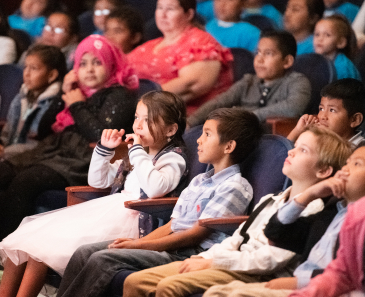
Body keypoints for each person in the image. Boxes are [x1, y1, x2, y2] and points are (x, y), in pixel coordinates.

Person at [0, 35, 139, 283]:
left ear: (111, 64)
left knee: (26, 181)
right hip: (57, 148)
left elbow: (99, 134)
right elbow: (44, 129)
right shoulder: (76, 93)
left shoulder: (119, 95)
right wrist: (65, 92)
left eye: (97, 62)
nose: (89, 69)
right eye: (82, 63)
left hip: (87, 157)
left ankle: (0, 256)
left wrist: (77, 105)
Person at [0, 90, 188, 297]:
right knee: (31, 242)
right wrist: (104, 150)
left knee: (43, 250)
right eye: (137, 117)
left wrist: (137, 151)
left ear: (170, 129)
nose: (138, 125)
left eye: (147, 120)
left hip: (136, 221)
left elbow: (156, 188)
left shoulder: (172, 158)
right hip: (111, 211)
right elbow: (98, 181)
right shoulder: (138, 154)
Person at [56, 108, 263, 297]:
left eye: (207, 134)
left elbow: (194, 235)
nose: (198, 141)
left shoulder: (235, 186)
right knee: (85, 251)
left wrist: (140, 246)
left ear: (229, 146)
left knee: (103, 258)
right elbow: (172, 225)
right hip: (173, 247)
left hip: (192, 253)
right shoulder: (200, 181)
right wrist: (139, 244)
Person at [123, 127, 352, 297]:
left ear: (324, 170)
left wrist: (215, 262)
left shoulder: (315, 209)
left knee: (168, 286)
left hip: (251, 270)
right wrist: (205, 257)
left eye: (302, 150)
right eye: (295, 146)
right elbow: (237, 239)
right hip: (230, 259)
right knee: (135, 282)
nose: (291, 153)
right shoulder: (270, 200)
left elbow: (269, 260)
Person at [201, 144, 365, 297]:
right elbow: (276, 235)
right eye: (347, 163)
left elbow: (348, 276)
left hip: (321, 288)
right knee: (217, 292)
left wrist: (300, 282)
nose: (345, 170)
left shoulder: (358, 218)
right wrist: (309, 194)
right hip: (310, 284)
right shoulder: (331, 212)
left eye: (357, 164)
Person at [127, 0, 234, 115]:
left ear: (189, 14)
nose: (163, 15)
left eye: (170, 9)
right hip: (144, 113)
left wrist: (140, 101)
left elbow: (192, 85)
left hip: (187, 120)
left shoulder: (201, 42)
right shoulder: (150, 45)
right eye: (160, 8)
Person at [187, 30, 310, 128]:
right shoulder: (249, 81)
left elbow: (293, 107)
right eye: (258, 52)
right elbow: (220, 102)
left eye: (268, 53)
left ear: (287, 61)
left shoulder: (297, 82)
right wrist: (191, 122)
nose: (259, 59)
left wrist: (248, 116)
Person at [0, 44, 66, 159]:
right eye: (26, 67)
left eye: (34, 68)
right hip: (10, 153)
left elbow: (38, 143)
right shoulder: (21, 97)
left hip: (34, 157)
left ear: (51, 75)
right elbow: (7, 130)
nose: (26, 73)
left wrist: (5, 152)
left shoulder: (55, 103)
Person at [287, 78, 365, 148]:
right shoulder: (322, 140)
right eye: (321, 109)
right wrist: (297, 130)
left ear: (355, 120)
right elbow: (282, 155)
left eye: (332, 110)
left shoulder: (359, 151)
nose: (322, 116)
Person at [313, 15, 361, 80]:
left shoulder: (343, 67)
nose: (320, 39)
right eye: (317, 34)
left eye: (327, 35)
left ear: (341, 42)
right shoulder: (313, 60)